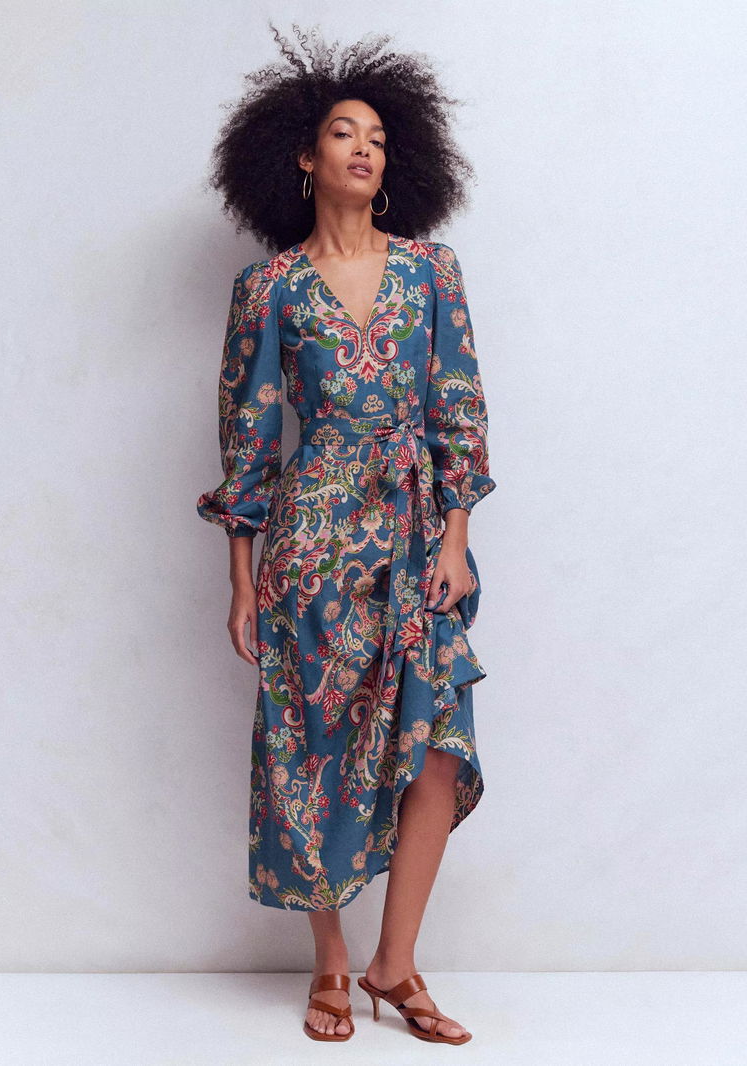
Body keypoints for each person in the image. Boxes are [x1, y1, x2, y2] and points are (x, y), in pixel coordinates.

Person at [196, 24, 497, 1045]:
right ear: (302, 157)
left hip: (413, 536)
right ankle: (330, 960)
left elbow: (458, 408)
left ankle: (393, 964)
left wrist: (454, 536)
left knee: (437, 746)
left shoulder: (431, 271)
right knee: (313, 745)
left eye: (377, 135)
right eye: (342, 132)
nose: (364, 147)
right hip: (312, 539)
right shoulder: (269, 289)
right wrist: (241, 580)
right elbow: (247, 439)